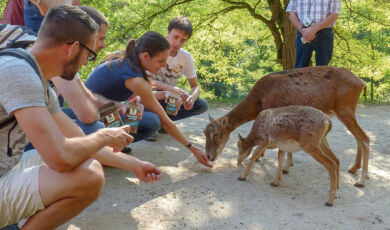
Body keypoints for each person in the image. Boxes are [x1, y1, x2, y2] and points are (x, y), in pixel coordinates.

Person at [0, 6, 161, 229]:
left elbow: (77, 139)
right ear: (73, 48)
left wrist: (135, 164)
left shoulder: (35, 78)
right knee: (89, 176)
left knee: (83, 158)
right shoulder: (20, 74)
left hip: (7, 168)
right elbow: (61, 158)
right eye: (89, 54)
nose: (86, 62)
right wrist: (104, 135)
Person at [85, 31, 213, 168]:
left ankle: (111, 147)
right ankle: (103, 151)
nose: (164, 65)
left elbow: (134, 96)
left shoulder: (127, 62)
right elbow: (167, 122)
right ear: (146, 56)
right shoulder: (135, 78)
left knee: (137, 112)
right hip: (88, 120)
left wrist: (130, 103)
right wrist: (192, 148)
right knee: (152, 121)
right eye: (161, 61)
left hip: (98, 113)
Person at [51, 6, 150, 148]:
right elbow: (87, 115)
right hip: (31, 135)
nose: (104, 45)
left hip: (65, 116)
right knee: (98, 128)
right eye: (101, 38)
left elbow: (89, 97)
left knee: (147, 122)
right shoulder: (59, 60)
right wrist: (107, 118)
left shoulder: (69, 60)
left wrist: (121, 106)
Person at [148, 16, 208, 140]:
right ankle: (152, 125)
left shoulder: (186, 57)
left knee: (201, 104)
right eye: (175, 37)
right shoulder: (152, 49)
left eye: (183, 40)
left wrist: (191, 97)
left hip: (169, 97)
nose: (177, 43)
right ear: (168, 32)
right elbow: (142, 81)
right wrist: (169, 89)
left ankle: (163, 123)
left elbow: (195, 86)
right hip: (150, 95)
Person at [286, 0, 341, 68]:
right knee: (299, 69)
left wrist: (314, 29)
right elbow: (292, 14)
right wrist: (302, 30)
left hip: (324, 34)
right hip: (303, 33)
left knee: (323, 70)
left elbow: (335, 14)